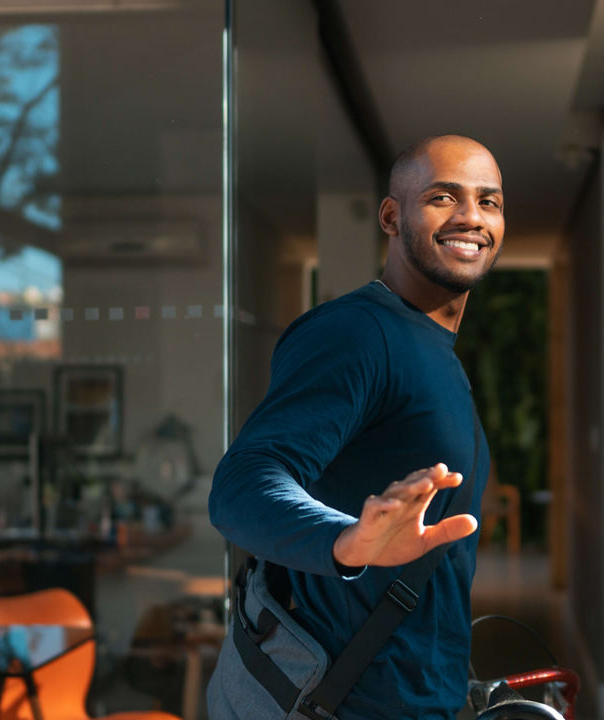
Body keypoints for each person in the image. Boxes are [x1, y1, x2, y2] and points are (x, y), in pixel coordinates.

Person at [208, 134, 505, 719]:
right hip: (341, 704)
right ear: (392, 217)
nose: (471, 216)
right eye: (443, 197)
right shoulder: (357, 334)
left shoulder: (432, 345)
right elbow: (243, 480)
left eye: (488, 202)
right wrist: (344, 541)